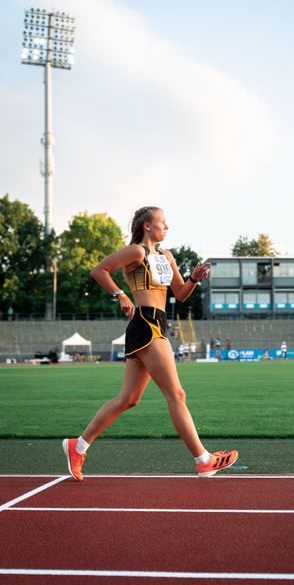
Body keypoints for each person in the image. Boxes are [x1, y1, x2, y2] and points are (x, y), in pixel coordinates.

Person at [63, 206, 238, 481]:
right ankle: (203, 460)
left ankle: (78, 445)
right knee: (176, 394)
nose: (166, 227)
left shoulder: (167, 256)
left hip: (158, 323)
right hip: (145, 323)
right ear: (147, 225)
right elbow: (99, 271)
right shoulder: (136, 252)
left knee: (128, 399)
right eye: (162, 222)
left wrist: (194, 278)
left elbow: (180, 294)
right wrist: (120, 295)